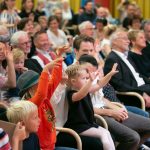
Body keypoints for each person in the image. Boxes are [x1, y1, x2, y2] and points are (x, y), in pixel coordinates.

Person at [79, 54, 150, 150]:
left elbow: (101, 99)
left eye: (93, 71)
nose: (90, 75)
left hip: (106, 109)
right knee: (133, 138)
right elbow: (86, 108)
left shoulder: (95, 78)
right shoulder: (78, 83)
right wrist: (111, 112)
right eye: (87, 72)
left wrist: (116, 107)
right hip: (96, 116)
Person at [17, 55, 76, 150]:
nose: (43, 81)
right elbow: (40, 94)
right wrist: (45, 70)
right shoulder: (31, 104)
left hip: (51, 145)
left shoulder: (44, 97)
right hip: (41, 147)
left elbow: (55, 81)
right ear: (32, 87)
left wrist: (59, 59)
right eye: (39, 81)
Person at [65, 64, 115, 150]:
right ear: (73, 81)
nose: (86, 81)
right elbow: (81, 94)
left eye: (86, 78)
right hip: (78, 127)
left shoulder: (85, 90)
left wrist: (110, 74)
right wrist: (90, 81)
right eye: (83, 78)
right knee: (103, 134)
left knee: (106, 132)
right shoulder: (72, 95)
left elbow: (99, 85)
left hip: (88, 124)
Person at [104, 30, 150, 107]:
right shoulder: (112, 59)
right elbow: (119, 84)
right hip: (134, 93)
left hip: (143, 87)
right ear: (115, 42)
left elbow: (137, 75)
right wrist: (141, 93)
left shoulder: (126, 56)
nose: (128, 41)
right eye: (125, 39)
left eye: (128, 39)